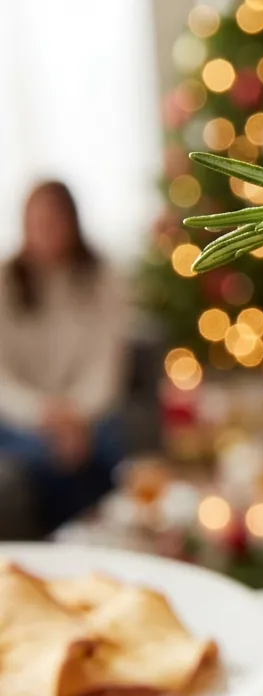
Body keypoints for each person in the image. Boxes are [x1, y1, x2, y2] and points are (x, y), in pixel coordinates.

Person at [0, 181, 126, 534]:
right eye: (37, 222)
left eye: (54, 221)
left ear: (73, 223)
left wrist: (74, 412)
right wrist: (44, 412)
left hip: (87, 415)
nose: (46, 232)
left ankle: (85, 539)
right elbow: (2, 379)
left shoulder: (102, 278)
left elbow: (106, 368)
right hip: (24, 418)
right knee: (47, 455)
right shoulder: (5, 281)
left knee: (102, 444)